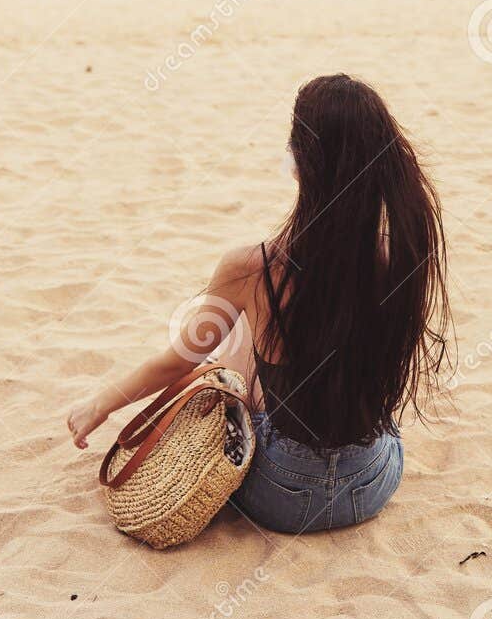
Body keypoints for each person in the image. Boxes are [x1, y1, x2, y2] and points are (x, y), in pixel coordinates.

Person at [67, 73, 452, 533]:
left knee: (234, 336)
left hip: (282, 497)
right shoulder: (402, 252)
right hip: (370, 483)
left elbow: (177, 362)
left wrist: (101, 405)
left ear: (299, 162)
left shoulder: (252, 267)